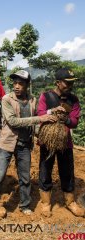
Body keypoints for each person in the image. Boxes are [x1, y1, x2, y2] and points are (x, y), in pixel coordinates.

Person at [0, 70, 57, 218]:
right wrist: (40, 119)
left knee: (24, 177)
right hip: (7, 143)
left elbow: (35, 123)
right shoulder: (6, 99)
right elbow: (13, 121)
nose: (17, 86)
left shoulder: (32, 100)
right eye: (15, 83)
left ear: (27, 85)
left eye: (21, 84)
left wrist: (40, 134)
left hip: (24, 144)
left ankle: (25, 205)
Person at [37, 68, 84, 217]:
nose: (69, 86)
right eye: (66, 83)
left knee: (67, 172)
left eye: (71, 83)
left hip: (66, 143)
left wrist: (67, 120)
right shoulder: (46, 96)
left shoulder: (73, 100)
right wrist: (52, 112)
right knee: (45, 170)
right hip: (48, 143)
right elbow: (40, 113)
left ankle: (70, 202)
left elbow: (75, 121)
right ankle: (45, 203)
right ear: (58, 82)